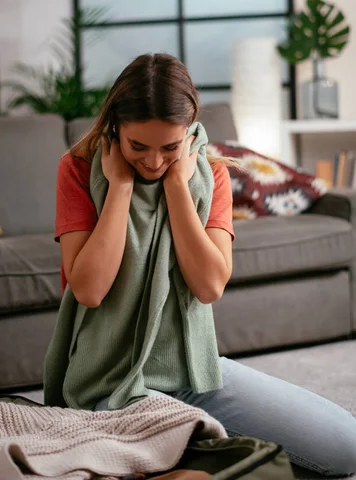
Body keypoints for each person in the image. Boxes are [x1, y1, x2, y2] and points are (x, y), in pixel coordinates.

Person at [45, 53, 356, 478]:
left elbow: (209, 285)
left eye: (169, 148)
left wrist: (177, 188)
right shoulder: (78, 170)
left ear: (189, 132)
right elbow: (89, 289)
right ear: (116, 129)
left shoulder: (210, 173)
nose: (154, 162)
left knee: (345, 448)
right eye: (139, 147)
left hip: (194, 372)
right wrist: (119, 187)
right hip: (110, 387)